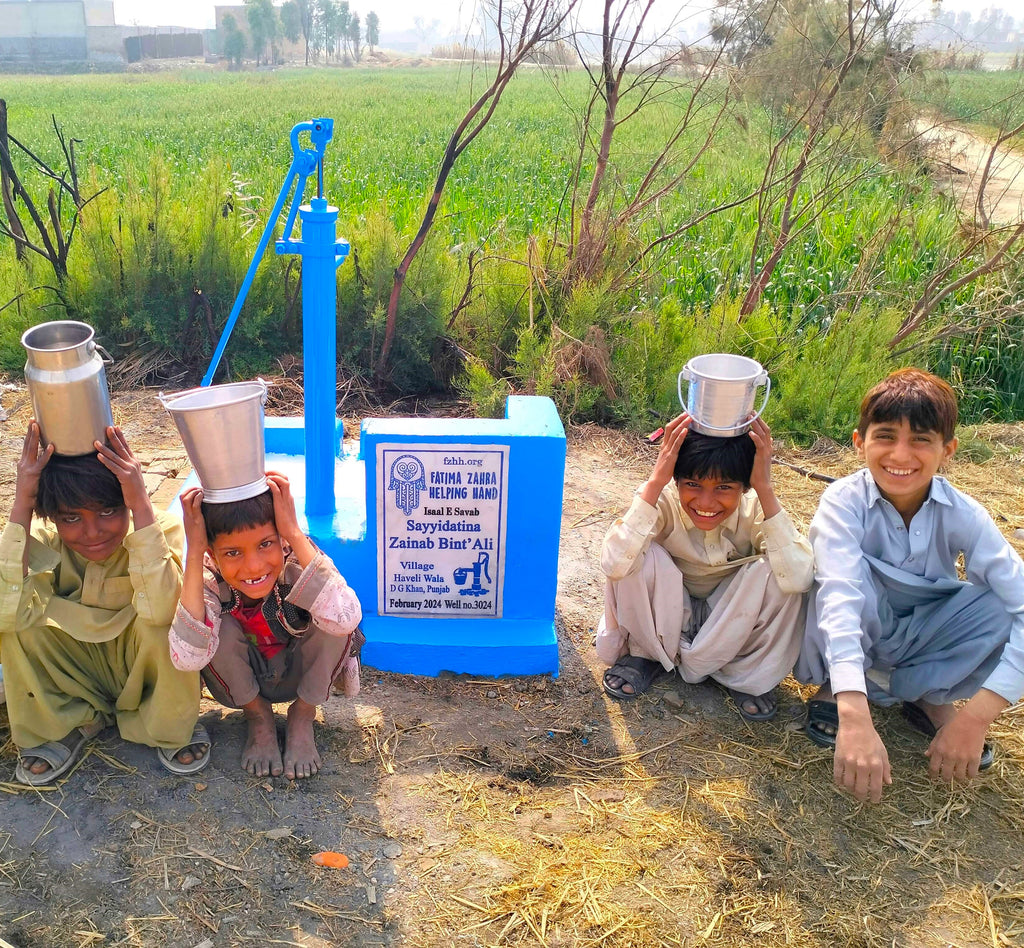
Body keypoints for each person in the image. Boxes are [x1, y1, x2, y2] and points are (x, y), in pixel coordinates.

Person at [796, 368, 1024, 803]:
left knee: (1001, 604)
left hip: (921, 635)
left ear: (947, 450)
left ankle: (926, 695)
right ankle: (842, 686)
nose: (902, 455)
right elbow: (841, 600)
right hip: (864, 626)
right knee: (846, 578)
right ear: (859, 442)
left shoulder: (965, 513)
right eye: (885, 436)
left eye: (921, 439)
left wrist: (976, 718)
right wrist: (855, 715)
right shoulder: (843, 503)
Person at [0, 422, 206, 786]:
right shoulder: (42, 539)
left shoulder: (159, 530)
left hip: (138, 670)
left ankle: (164, 724)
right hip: (77, 671)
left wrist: (140, 504)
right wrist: (23, 502)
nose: (92, 533)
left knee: (168, 622)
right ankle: (70, 721)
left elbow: (161, 611)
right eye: (72, 518)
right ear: (52, 517)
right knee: (17, 622)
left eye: (109, 512)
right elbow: (6, 613)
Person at [598, 413, 813, 720]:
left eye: (724, 487)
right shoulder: (662, 500)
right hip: (664, 616)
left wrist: (765, 487)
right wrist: (657, 480)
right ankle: (646, 654)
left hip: (727, 620)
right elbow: (613, 563)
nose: (706, 503)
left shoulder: (755, 510)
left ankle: (742, 673)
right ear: (676, 479)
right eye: (693, 484)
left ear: (744, 486)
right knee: (635, 553)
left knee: (778, 570)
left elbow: (800, 579)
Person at [170, 472, 362, 780]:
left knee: (329, 609)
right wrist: (194, 552)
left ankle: (302, 715)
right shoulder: (206, 576)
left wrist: (295, 533)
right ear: (212, 554)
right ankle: (258, 717)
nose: (254, 566)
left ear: (282, 539)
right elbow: (189, 656)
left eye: (266, 544)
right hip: (244, 686)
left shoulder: (297, 557)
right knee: (214, 627)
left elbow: (345, 618)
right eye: (232, 552)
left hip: (299, 675)